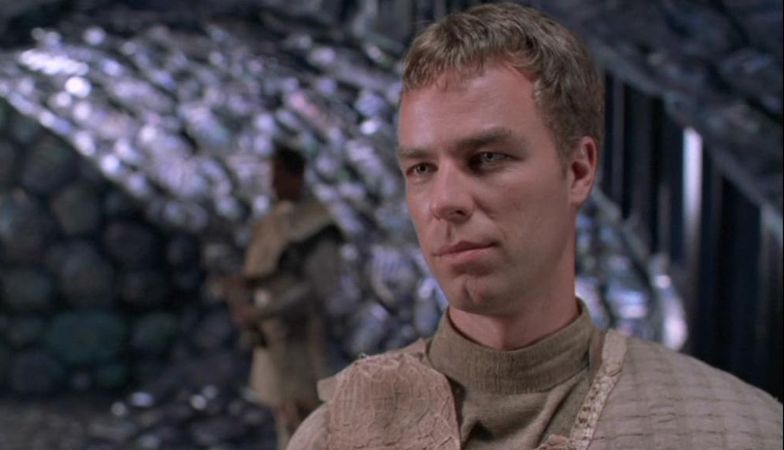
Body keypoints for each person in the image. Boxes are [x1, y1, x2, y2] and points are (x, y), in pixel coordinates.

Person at [288, 3, 782, 449]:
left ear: (578, 171)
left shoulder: (736, 430)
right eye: (421, 168)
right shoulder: (338, 436)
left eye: (487, 157)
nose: (445, 201)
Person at [222, 144, 343, 450]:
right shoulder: (275, 220)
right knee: (286, 417)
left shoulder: (316, 225)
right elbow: (267, 269)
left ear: (296, 175)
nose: (273, 184)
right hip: (274, 338)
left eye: (278, 175)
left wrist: (265, 311)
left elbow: (317, 287)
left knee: (310, 419)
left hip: (301, 336)